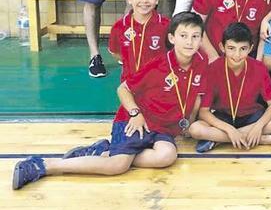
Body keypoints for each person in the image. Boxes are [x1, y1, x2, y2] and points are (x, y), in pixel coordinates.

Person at [13, 13, 209, 190]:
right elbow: (123, 88)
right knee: (117, 166)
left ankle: (105, 150)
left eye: (195, 36)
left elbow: (196, 97)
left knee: (167, 155)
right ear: (172, 38)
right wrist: (135, 113)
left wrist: (187, 123)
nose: (189, 42)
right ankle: (43, 165)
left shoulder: (201, 62)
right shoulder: (159, 65)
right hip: (138, 121)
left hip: (163, 128)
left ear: (201, 39)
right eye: (183, 36)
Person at [190, 23, 271, 153]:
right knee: (195, 129)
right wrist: (229, 129)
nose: (237, 55)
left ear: (251, 48)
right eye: (231, 48)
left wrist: (258, 127)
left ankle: (218, 139)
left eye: (243, 49)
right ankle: (263, 139)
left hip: (252, 116)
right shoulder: (212, 69)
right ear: (222, 47)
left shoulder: (259, 68)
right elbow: (204, 112)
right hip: (224, 117)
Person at [108, 0, 170, 81]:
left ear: (157, 0)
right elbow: (116, 53)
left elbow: (173, 53)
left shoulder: (166, 25)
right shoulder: (119, 27)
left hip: (159, 83)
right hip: (129, 83)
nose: (144, 0)